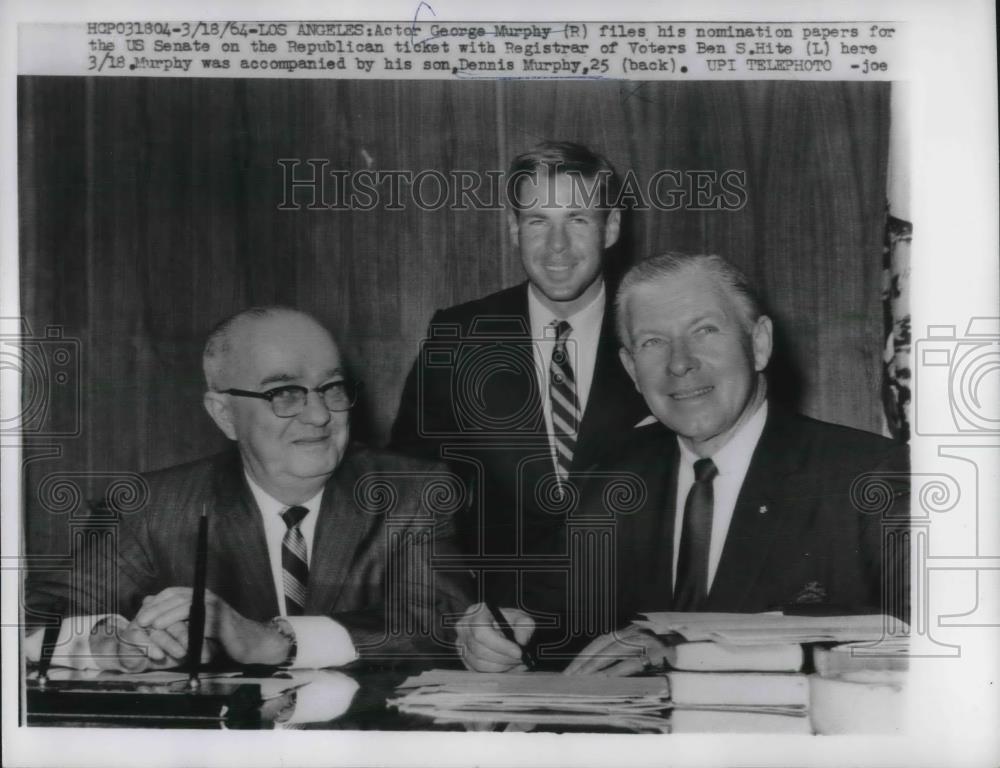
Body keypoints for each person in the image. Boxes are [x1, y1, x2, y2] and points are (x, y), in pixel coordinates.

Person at [457, 253, 909, 673]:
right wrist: (498, 631)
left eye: (704, 331)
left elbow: (931, 641)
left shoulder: (870, 476)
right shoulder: (613, 479)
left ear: (759, 344)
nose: (680, 364)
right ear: (632, 370)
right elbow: (544, 611)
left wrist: (693, 649)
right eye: (653, 342)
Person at [25, 307, 471, 671]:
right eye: (284, 394)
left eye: (331, 388)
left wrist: (275, 642)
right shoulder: (151, 508)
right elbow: (31, 621)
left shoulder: (413, 491)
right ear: (223, 413)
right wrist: (109, 643)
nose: (318, 415)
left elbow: (437, 624)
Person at [391, 141, 649, 626]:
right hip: (492, 630)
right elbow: (412, 495)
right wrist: (464, 616)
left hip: (632, 631)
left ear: (610, 227)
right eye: (537, 221)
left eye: (577, 219)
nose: (557, 246)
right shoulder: (459, 335)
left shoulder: (654, 328)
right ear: (513, 229)